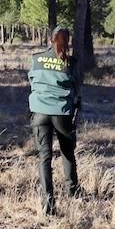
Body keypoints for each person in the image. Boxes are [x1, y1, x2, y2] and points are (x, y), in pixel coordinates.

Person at [27, 27, 80, 215]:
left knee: (44, 157)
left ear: (50, 40)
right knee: (67, 151)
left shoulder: (36, 58)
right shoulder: (71, 62)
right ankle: (73, 189)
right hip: (62, 112)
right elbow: (77, 86)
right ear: (68, 41)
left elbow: (31, 80)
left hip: (39, 111)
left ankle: (48, 201)